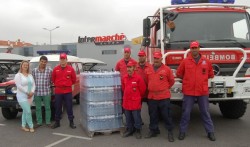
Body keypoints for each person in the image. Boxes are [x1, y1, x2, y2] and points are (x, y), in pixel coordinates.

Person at [176, 41, 216, 141]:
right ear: (190, 49)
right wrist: (188, 80)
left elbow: (211, 74)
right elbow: (179, 73)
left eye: (196, 48)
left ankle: (210, 132)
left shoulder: (206, 61)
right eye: (192, 48)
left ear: (199, 49)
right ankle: (182, 132)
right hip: (189, 91)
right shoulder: (185, 61)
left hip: (202, 92)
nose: (194, 49)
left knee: (205, 112)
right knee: (186, 113)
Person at [144, 51, 175, 142]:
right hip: (152, 96)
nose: (156, 60)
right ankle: (154, 130)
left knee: (166, 115)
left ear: (161, 59)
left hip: (163, 97)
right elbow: (146, 80)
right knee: (153, 115)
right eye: (155, 58)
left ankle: (170, 132)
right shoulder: (149, 69)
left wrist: (164, 88)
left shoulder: (167, 69)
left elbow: (171, 81)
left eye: (158, 58)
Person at [51, 53, 77, 129]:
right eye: (61, 59)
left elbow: (74, 80)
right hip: (58, 91)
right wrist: (58, 84)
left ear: (66, 60)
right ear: (59, 60)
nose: (62, 60)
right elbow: (53, 78)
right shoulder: (56, 69)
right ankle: (57, 122)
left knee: (69, 107)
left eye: (64, 59)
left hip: (67, 91)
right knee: (58, 107)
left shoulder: (71, 69)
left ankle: (71, 122)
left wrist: (67, 84)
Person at [122, 61, 146, 139]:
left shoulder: (138, 78)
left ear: (134, 68)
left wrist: (137, 97)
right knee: (128, 117)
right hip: (126, 101)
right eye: (128, 67)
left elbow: (143, 90)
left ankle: (138, 130)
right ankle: (130, 130)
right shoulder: (124, 78)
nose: (128, 69)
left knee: (136, 117)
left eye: (130, 67)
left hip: (135, 102)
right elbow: (123, 88)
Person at [14, 60, 36, 133]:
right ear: (21, 66)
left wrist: (32, 92)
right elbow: (19, 86)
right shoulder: (18, 75)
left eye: (27, 65)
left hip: (30, 96)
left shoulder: (30, 75)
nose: (25, 66)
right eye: (24, 65)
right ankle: (31, 126)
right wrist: (27, 92)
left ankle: (23, 126)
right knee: (28, 111)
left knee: (25, 111)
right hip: (22, 96)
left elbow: (33, 84)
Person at [32, 56, 52, 128]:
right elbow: (32, 81)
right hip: (37, 93)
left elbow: (51, 81)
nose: (43, 63)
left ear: (46, 62)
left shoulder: (49, 71)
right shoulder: (34, 71)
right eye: (42, 61)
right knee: (38, 108)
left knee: (47, 108)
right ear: (39, 61)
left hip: (46, 92)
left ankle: (48, 122)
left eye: (44, 62)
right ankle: (39, 122)